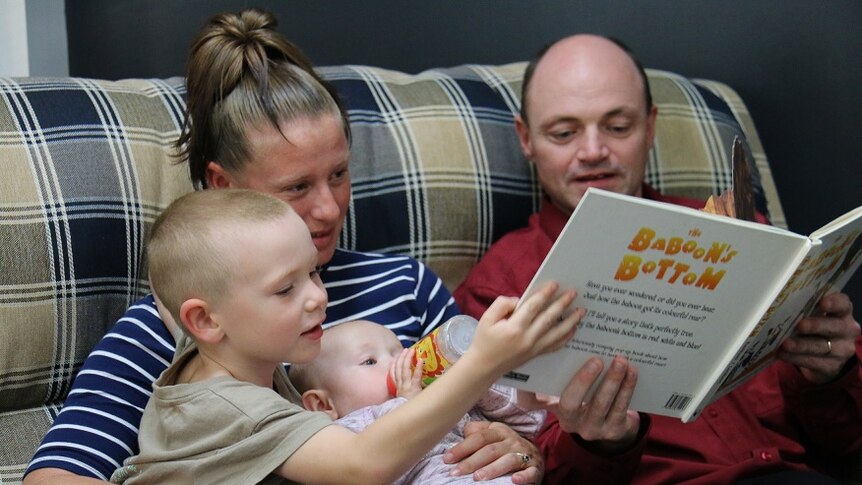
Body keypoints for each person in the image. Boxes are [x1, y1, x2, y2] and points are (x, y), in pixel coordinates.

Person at [24, 8, 543, 485]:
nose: (328, 208)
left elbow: (494, 415)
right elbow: (60, 475)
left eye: (338, 174)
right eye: (296, 187)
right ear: (223, 185)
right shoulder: (182, 336)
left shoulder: (407, 287)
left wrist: (518, 451)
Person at [453, 34, 862, 484]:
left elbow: (848, 443)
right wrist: (601, 441)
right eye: (564, 133)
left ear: (650, 127)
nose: (592, 151)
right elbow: (527, 464)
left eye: (618, 126)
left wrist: (829, 373)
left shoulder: (743, 227)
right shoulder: (499, 288)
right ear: (527, 139)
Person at [108, 189, 579, 484]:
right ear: (207, 321)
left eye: (313, 273)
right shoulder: (228, 406)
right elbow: (362, 466)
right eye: (285, 288)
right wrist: (483, 363)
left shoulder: (224, 348)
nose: (316, 298)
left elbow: (174, 287)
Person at [288, 319, 548, 484]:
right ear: (323, 405)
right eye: (370, 361)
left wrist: (476, 381)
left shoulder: (445, 396)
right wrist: (407, 406)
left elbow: (531, 421)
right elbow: (378, 471)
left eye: (399, 350)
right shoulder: (345, 433)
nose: (399, 362)